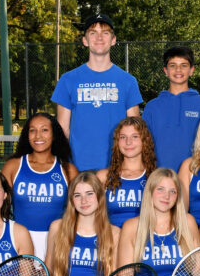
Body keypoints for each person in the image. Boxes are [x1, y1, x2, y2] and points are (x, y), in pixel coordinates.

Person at [51, 13, 143, 171]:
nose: (99, 37)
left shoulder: (128, 81)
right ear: (85, 41)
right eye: (93, 33)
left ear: (113, 40)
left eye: (105, 33)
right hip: (78, 169)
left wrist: (132, 168)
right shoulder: (68, 80)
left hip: (117, 169)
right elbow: (62, 130)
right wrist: (65, 167)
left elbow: (135, 130)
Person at [2, 112, 77, 260]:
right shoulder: (13, 166)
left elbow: (78, 211)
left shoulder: (68, 170)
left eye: (44, 130)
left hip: (56, 242)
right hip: (20, 240)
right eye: (32, 130)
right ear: (27, 135)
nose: (38, 136)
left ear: (54, 134)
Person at [143, 46, 200, 171]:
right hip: (160, 175)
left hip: (195, 174)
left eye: (184, 65)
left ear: (192, 70)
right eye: (173, 65)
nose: (178, 70)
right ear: (165, 70)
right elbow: (144, 144)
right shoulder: (152, 106)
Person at [97, 117, 157, 228]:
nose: (128, 142)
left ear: (145, 140)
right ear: (117, 142)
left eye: (135, 137)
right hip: (112, 240)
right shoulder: (103, 177)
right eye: (123, 137)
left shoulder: (156, 177)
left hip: (144, 240)